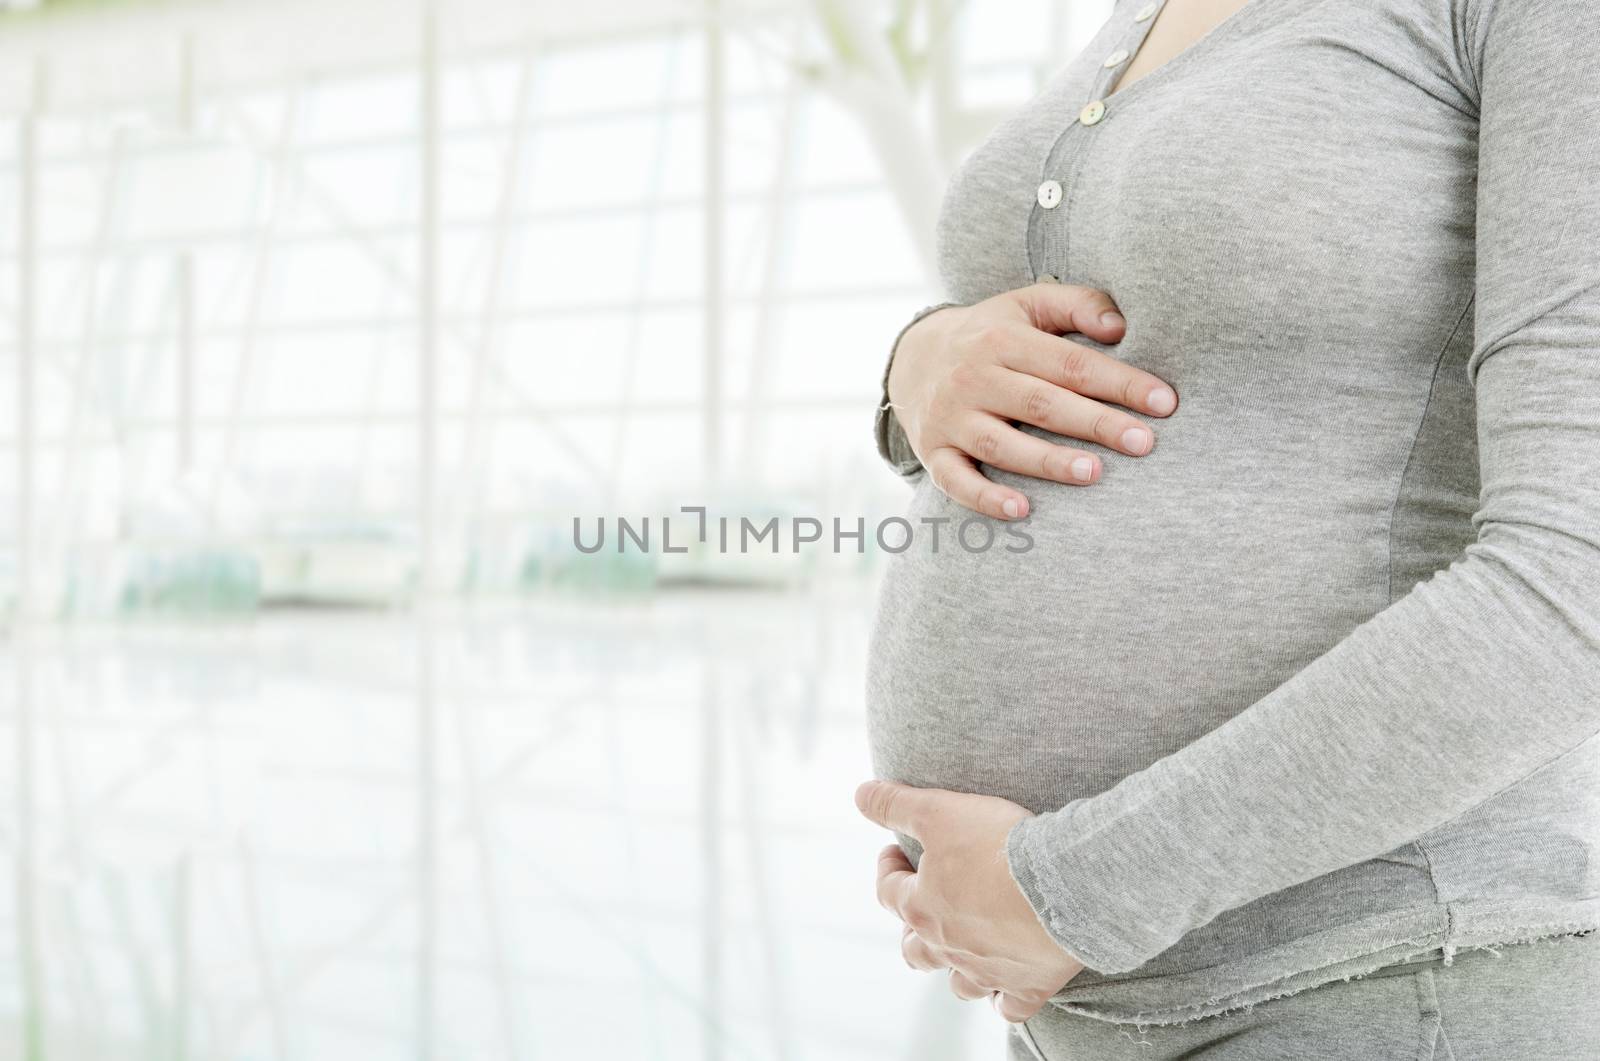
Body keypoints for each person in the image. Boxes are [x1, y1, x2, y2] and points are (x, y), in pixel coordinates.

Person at [855, 0, 1600, 1056]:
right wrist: (916, 367)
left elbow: (1575, 578)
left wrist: (1074, 891)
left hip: (1373, 979)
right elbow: (1165, 364)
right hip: (1083, 1001)